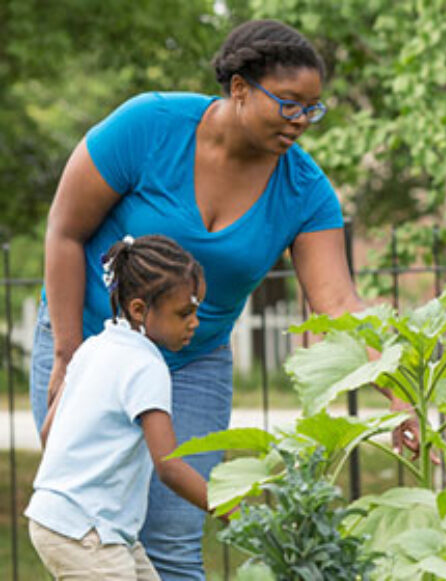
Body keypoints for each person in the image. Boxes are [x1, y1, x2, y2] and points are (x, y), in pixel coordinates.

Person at [30, 19, 418, 580]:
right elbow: (65, 231)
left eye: (312, 108)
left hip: (188, 362)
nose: (301, 122)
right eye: (288, 104)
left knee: (173, 538)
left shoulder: (305, 191)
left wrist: (401, 396)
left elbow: (336, 301)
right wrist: (66, 354)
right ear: (239, 88)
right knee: (88, 520)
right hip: (86, 342)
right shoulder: (149, 125)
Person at [28, 235, 220, 580]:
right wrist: (231, 505)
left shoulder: (94, 347)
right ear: (138, 309)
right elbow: (170, 468)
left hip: (69, 520)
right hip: (85, 532)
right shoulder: (146, 365)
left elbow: (49, 433)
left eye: (197, 311)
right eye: (185, 312)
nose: (195, 323)